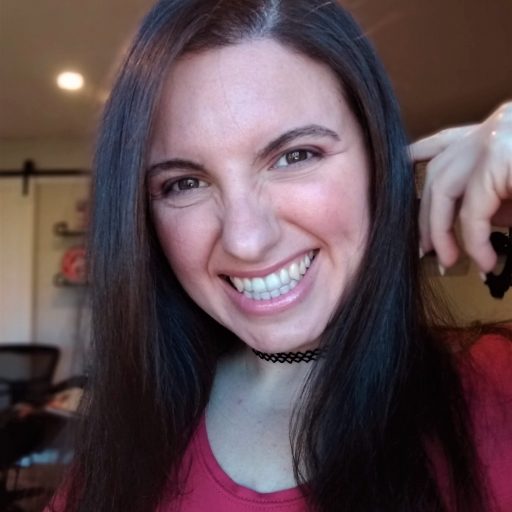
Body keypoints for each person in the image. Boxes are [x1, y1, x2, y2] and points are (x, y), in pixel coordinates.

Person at [47, 1, 512, 511]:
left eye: (295, 155)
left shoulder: (496, 389)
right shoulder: (126, 436)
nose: (246, 240)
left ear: (378, 160)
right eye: (184, 183)